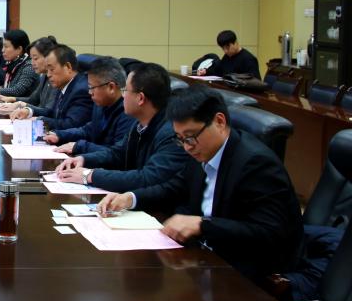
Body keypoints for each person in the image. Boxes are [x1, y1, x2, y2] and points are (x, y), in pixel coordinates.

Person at [98, 85, 302, 288]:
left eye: (190, 137)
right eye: (180, 139)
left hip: (246, 272)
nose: (187, 147)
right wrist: (130, 198)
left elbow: (269, 233)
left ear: (219, 122)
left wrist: (201, 225)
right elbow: (175, 187)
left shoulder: (255, 163)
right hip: (204, 258)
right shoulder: (202, 150)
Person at [55, 62, 190, 192]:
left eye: (125, 90)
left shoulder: (171, 133)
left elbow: (146, 177)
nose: (123, 95)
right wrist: (84, 159)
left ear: (140, 98)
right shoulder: (139, 124)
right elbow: (117, 153)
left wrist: (90, 176)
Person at [43, 56, 135, 155]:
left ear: (111, 87)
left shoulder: (128, 112)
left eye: (92, 87)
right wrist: (59, 135)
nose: (89, 92)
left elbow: (117, 154)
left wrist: (79, 147)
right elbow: (88, 130)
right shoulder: (101, 104)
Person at [8, 44, 93, 131]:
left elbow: (70, 124)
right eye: (47, 70)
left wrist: (39, 120)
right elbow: (51, 112)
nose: (48, 75)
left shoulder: (81, 90)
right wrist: (28, 111)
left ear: (68, 67)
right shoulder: (63, 84)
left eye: (52, 69)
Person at [0, 35, 59, 111]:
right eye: (31, 58)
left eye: (35, 58)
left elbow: (48, 111)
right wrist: (12, 99)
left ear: (48, 57)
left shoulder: (56, 79)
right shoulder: (44, 76)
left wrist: (22, 105)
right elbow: (33, 100)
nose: (32, 63)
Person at [0, 29, 39, 99]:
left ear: (19, 49)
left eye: (6, 47)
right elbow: (11, 86)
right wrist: (0, 87)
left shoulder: (29, 66)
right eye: (3, 46)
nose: (2, 50)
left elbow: (18, 90)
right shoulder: (13, 63)